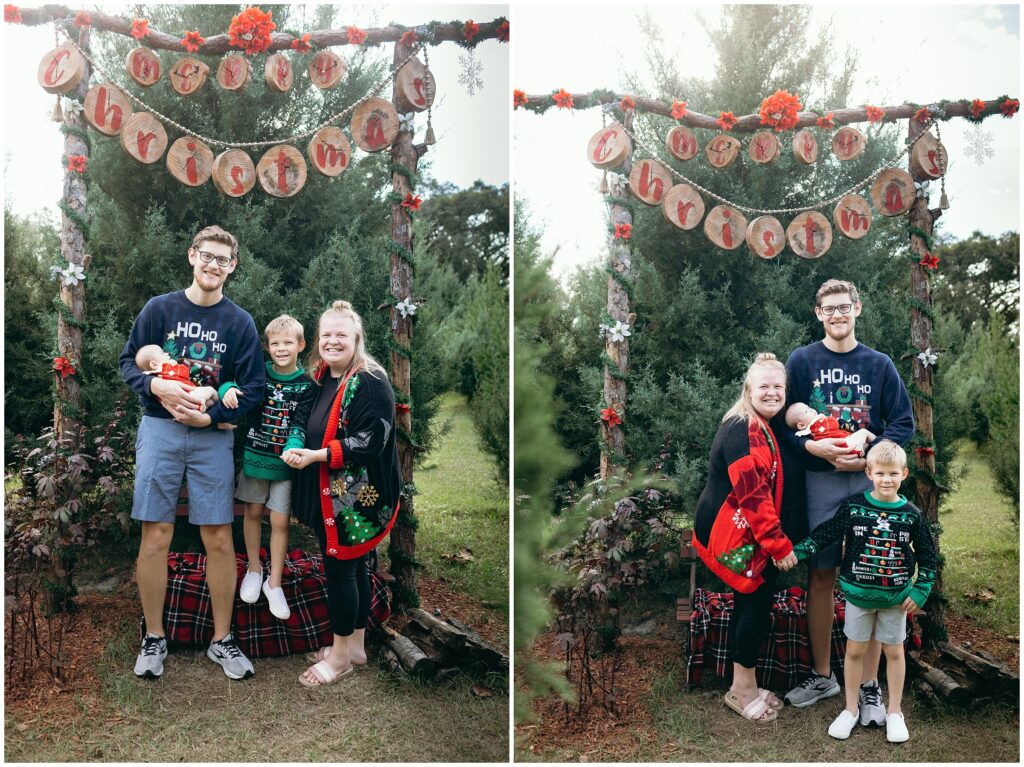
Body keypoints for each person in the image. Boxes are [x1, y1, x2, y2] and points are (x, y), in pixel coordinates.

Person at [119, 225, 265, 680]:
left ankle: (221, 641)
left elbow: (254, 389)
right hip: (159, 430)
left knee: (219, 537)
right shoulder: (159, 309)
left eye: (223, 259)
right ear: (192, 255)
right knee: (156, 535)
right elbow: (128, 363)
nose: (213, 265)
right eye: (207, 255)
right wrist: (154, 383)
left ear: (232, 266)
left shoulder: (239, 322)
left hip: (212, 437)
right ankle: (154, 637)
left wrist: (214, 415)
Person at [780, 279, 914, 725]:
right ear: (818, 313)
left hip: (872, 488)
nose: (837, 315)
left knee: (872, 576)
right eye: (828, 309)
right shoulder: (802, 360)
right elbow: (784, 423)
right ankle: (823, 676)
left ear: (857, 308)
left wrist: (869, 444)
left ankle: (871, 687)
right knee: (821, 575)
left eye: (844, 307)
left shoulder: (879, 364)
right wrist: (813, 449)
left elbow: (904, 423)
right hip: (820, 485)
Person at [779, 441, 936, 743]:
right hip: (857, 596)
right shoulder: (854, 507)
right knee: (854, 651)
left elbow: (928, 558)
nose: (886, 479)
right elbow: (826, 533)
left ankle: (894, 712)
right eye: (880, 473)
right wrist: (797, 552)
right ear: (868, 473)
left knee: (893, 652)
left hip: (895, 600)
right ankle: (850, 709)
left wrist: (920, 592)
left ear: (904, 474)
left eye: (893, 473)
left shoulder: (912, 515)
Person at [281, 300, 401, 686]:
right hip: (331, 492)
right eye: (326, 335)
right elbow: (301, 414)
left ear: (357, 339)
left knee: (340, 569)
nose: (333, 341)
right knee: (353, 565)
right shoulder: (322, 375)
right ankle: (355, 647)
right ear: (318, 340)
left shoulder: (370, 381)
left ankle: (339, 658)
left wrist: (317, 455)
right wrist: (297, 439)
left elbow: (370, 441)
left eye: (341, 335)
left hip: (358, 498)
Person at [693, 353, 798, 723]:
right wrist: (778, 545)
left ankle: (745, 681)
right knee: (753, 603)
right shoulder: (744, 431)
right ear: (748, 390)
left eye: (778, 387)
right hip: (731, 534)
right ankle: (741, 691)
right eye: (763, 386)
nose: (772, 393)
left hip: (739, 529)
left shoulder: (757, 423)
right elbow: (753, 496)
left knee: (749, 602)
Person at [237, 315, 316, 620]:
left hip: (285, 463)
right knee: (253, 513)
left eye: (287, 343)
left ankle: (274, 583)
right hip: (255, 456)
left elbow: (300, 421)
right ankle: (254, 571)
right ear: (267, 346)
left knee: (281, 521)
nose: (281, 349)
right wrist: (230, 387)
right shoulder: (259, 373)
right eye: (275, 343)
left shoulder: (307, 385)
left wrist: (292, 446)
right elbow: (236, 381)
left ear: (300, 345)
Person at [135, 344, 241, 428]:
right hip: (189, 395)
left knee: (210, 403)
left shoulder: (151, 377)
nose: (166, 354)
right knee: (211, 392)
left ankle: (217, 421)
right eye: (162, 353)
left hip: (177, 405)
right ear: (153, 364)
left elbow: (142, 378)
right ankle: (220, 413)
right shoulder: (166, 368)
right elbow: (185, 372)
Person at [785, 401, 875, 456]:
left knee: (865, 443)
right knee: (864, 432)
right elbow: (834, 424)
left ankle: (859, 450)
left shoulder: (807, 433)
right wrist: (836, 421)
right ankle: (879, 444)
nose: (812, 410)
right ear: (801, 426)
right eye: (806, 411)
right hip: (846, 443)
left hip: (840, 449)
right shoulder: (819, 423)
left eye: (809, 408)